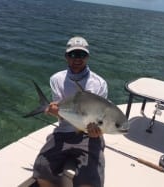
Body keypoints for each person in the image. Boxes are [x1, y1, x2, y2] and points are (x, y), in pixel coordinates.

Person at [33, 36, 108, 187]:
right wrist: (54, 110)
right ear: (66, 56)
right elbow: (61, 108)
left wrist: (98, 132)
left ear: (87, 57)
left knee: (90, 181)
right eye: (73, 54)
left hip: (89, 135)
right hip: (63, 131)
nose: (77, 59)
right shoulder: (56, 79)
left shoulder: (100, 83)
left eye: (81, 55)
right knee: (42, 169)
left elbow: (103, 117)